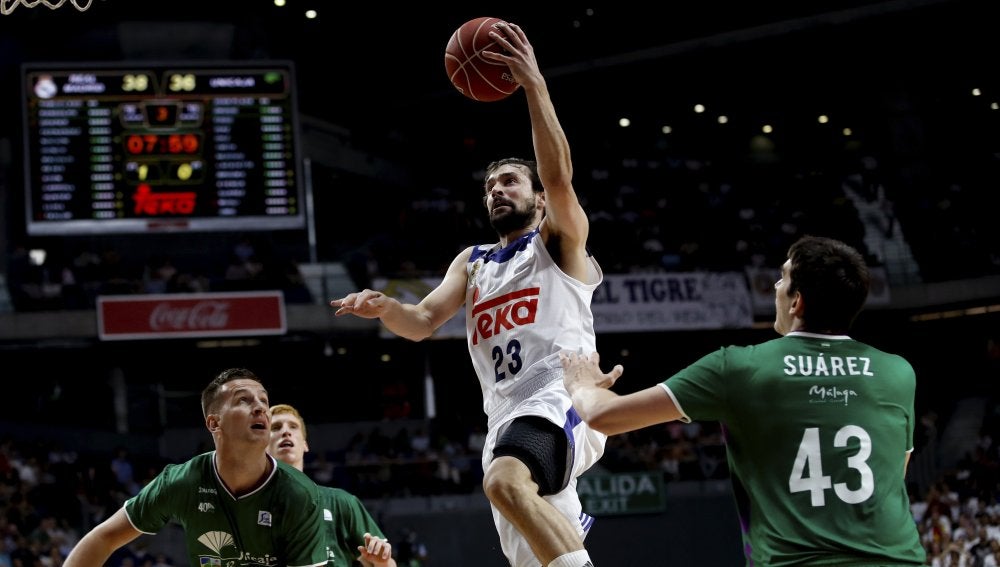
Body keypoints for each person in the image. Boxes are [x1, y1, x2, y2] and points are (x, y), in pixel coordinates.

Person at [330, 21, 603, 567]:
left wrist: (534, 87)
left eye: (509, 181)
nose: (497, 190)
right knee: (535, 554)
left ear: (538, 199)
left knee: (504, 482)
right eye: (490, 185)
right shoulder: (473, 261)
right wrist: (387, 308)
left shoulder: (559, 244)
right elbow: (423, 321)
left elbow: (559, 179)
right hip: (503, 414)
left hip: (560, 397)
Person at [561, 235, 927, 566]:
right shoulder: (897, 373)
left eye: (783, 278)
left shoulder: (740, 367)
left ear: (797, 302)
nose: (775, 286)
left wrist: (581, 383)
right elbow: (893, 475)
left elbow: (604, 416)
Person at [64, 368, 330, 567]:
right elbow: (103, 539)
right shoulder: (181, 482)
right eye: (243, 400)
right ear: (214, 423)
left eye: (263, 400)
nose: (260, 407)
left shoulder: (299, 493)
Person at [267, 403, 395, 567]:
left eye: (293, 426)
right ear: (262, 445)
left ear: (305, 445)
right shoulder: (248, 507)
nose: (286, 431)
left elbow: (386, 563)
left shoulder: (341, 501)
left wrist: (382, 562)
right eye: (276, 427)